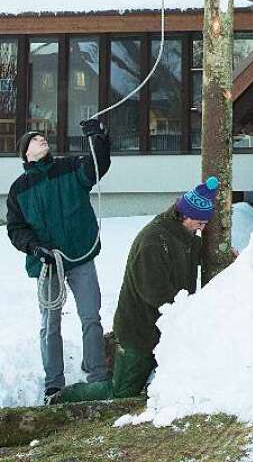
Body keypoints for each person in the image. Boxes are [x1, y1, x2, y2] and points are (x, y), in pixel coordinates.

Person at [57, 177, 219, 403]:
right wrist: (185, 311)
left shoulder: (185, 236)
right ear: (186, 215)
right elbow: (154, 292)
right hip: (138, 332)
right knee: (121, 392)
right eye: (200, 223)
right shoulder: (154, 241)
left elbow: (196, 254)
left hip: (164, 329)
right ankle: (63, 398)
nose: (203, 228)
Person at [7, 120, 111, 403]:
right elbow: (16, 230)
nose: (42, 139)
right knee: (49, 323)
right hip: (47, 264)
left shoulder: (70, 167)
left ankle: (97, 376)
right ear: (25, 153)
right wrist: (36, 249)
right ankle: (54, 384)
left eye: (43, 137)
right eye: (35, 138)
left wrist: (97, 138)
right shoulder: (19, 189)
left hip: (80, 256)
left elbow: (97, 167)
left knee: (91, 317)